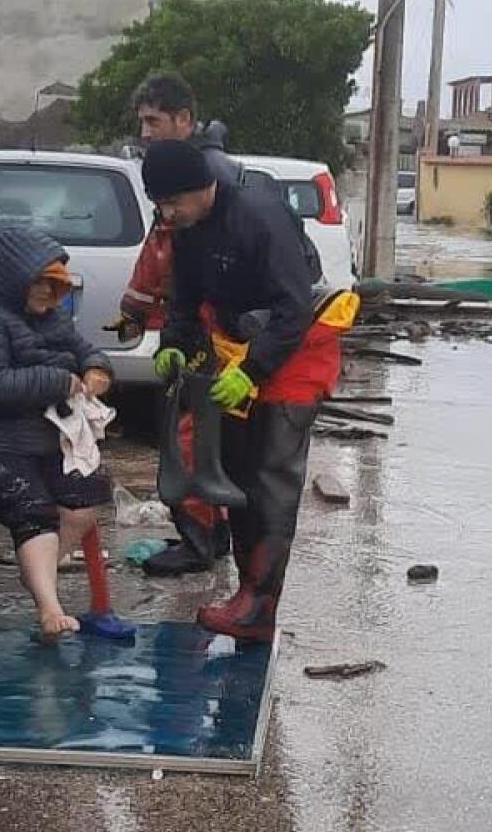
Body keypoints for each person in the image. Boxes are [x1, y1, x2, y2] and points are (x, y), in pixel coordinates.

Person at [142, 140, 358, 643]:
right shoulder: (188, 230)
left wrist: (253, 371)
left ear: (201, 187)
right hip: (241, 349)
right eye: (160, 205)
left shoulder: (261, 218)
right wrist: (173, 346)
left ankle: (261, 605)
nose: (167, 214)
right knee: (236, 473)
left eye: (172, 202)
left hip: (296, 351)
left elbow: (293, 309)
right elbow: (185, 301)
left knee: (271, 479)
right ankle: (246, 593)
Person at [0, 227, 114, 638]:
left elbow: (86, 349)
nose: (47, 292)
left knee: (86, 495)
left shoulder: (54, 320)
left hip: (41, 441)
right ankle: (49, 607)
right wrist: (58, 381)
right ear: (14, 280)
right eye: (39, 282)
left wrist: (96, 369)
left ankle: (39, 572)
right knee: (32, 507)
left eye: (54, 284)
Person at [118, 73, 242, 577]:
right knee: (199, 436)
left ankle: (200, 540)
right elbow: (157, 257)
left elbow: (174, 259)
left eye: (154, 121)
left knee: (190, 441)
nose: (145, 132)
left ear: (185, 120)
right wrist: (135, 310)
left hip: (213, 333)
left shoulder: (201, 182)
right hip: (195, 330)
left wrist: (146, 313)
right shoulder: (179, 176)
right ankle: (213, 533)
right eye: (142, 122)